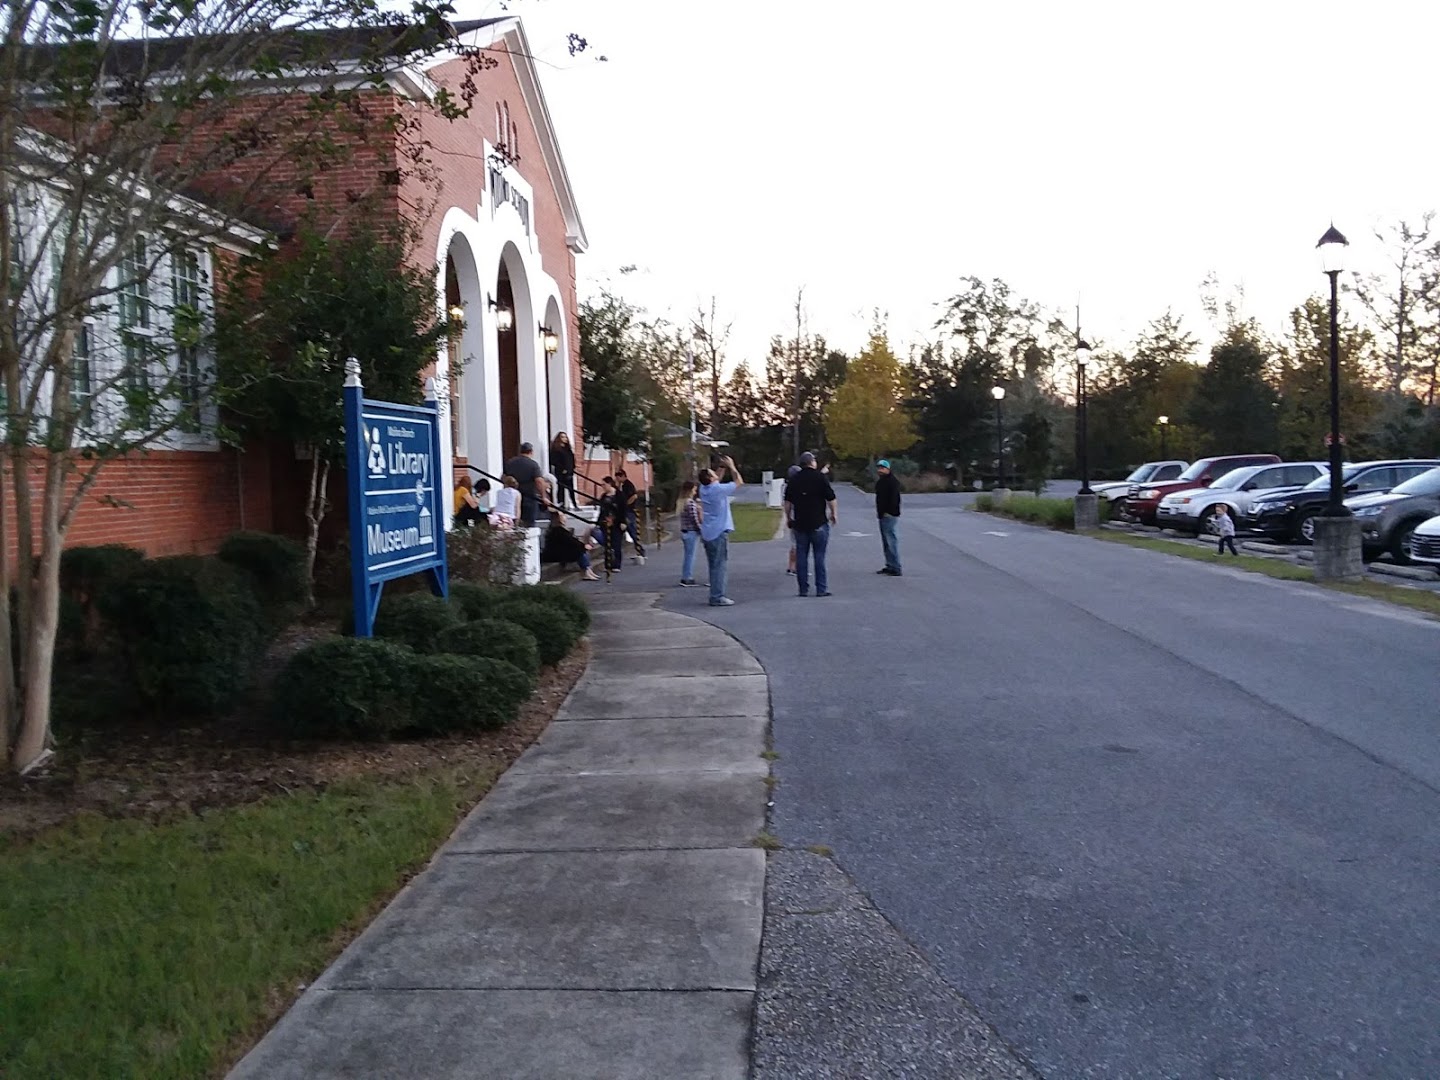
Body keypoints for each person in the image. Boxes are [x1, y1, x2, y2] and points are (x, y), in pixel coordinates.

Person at [783, 451, 837, 597]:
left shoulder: (794, 479)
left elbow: (788, 502)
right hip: (818, 522)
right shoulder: (820, 477)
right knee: (819, 556)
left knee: (801, 556)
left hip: (800, 523)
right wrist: (834, 514)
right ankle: (821, 588)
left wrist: (788, 518)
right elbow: (831, 498)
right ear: (812, 462)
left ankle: (803, 589)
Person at [698, 454, 743, 606]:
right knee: (720, 566)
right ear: (711, 479)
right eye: (713, 473)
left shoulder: (704, 488)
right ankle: (717, 596)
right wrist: (732, 466)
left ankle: (714, 594)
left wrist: (722, 467)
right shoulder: (717, 489)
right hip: (718, 532)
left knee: (713, 565)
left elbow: (717, 478)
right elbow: (739, 482)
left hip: (708, 532)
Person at [503, 442, 547, 526]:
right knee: (529, 523)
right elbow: (539, 481)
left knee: (514, 521)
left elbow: (503, 477)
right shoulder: (533, 464)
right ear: (531, 452)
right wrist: (543, 496)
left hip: (513, 496)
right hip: (529, 497)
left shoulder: (510, 463)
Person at [874, 459, 903, 576]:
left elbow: (895, 499)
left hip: (889, 514)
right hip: (882, 514)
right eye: (879, 468)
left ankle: (896, 567)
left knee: (891, 540)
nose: (880, 470)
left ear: (888, 469)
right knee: (886, 541)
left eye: (882, 468)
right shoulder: (881, 482)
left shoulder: (892, 482)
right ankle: (889, 565)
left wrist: (890, 512)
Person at [596, 475, 625, 573]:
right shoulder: (604, 496)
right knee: (607, 544)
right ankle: (608, 564)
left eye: (604, 484)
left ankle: (617, 565)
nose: (603, 487)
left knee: (616, 544)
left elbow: (623, 509)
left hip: (616, 523)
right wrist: (599, 522)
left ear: (609, 484)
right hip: (605, 522)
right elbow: (602, 510)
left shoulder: (619, 495)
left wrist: (622, 521)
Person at [615, 467, 645, 560]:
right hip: (625, 511)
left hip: (629, 511)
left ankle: (640, 550)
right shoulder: (622, 485)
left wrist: (626, 505)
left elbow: (634, 496)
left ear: (623, 476)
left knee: (632, 531)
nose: (617, 479)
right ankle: (638, 550)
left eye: (618, 477)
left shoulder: (628, 485)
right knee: (628, 531)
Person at [678, 480, 703, 587]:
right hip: (692, 532)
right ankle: (687, 577)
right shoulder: (690, 503)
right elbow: (695, 519)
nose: (695, 491)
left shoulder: (681, 502)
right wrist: (701, 530)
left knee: (688, 555)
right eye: (694, 489)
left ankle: (685, 576)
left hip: (685, 531)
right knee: (691, 556)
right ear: (690, 490)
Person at [550, 432, 577, 509]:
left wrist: (572, 468)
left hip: (569, 472)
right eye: (562, 437)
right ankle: (561, 503)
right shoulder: (556, 450)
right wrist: (562, 469)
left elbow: (571, 460)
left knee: (571, 489)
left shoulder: (568, 449)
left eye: (565, 437)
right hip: (560, 472)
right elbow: (554, 461)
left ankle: (574, 504)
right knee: (561, 488)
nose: (564, 439)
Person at [784, 464, 801, 576]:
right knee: (798, 544)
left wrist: (788, 517)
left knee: (794, 543)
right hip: (798, 517)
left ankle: (791, 566)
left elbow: (787, 504)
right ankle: (795, 567)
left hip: (793, 517)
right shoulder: (797, 487)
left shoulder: (789, 487)